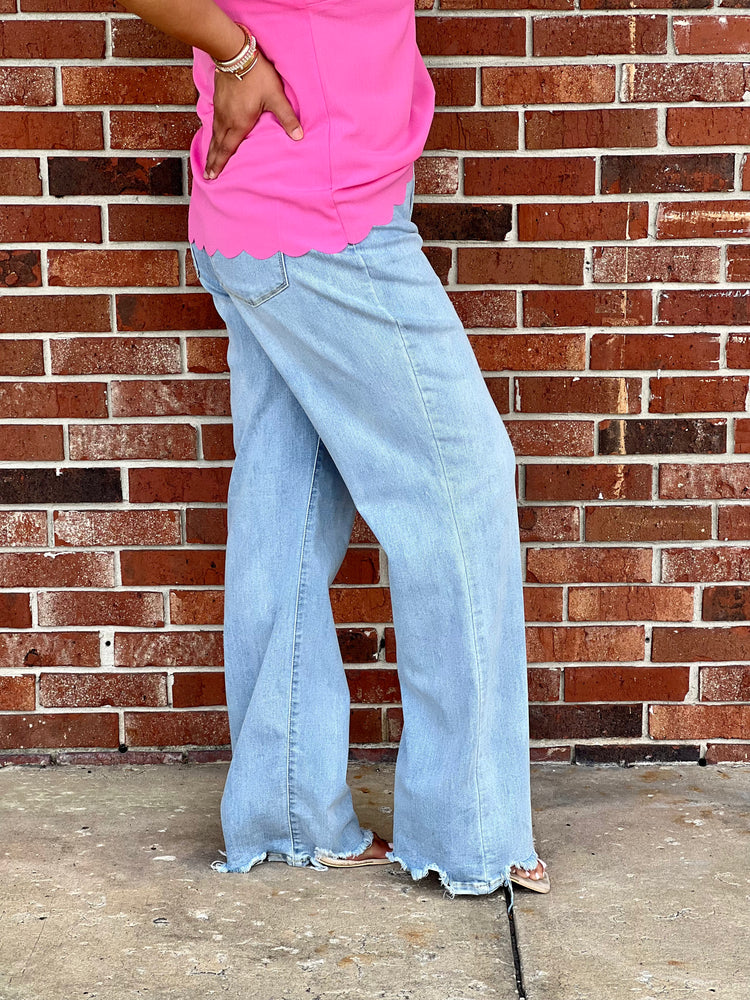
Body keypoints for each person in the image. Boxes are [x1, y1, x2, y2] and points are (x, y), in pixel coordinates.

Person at [118, 0, 549, 897]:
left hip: (287, 208)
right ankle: (470, 828)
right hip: (320, 219)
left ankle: (287, 811)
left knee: (288, 504)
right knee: (461, 483)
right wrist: (236, 55)